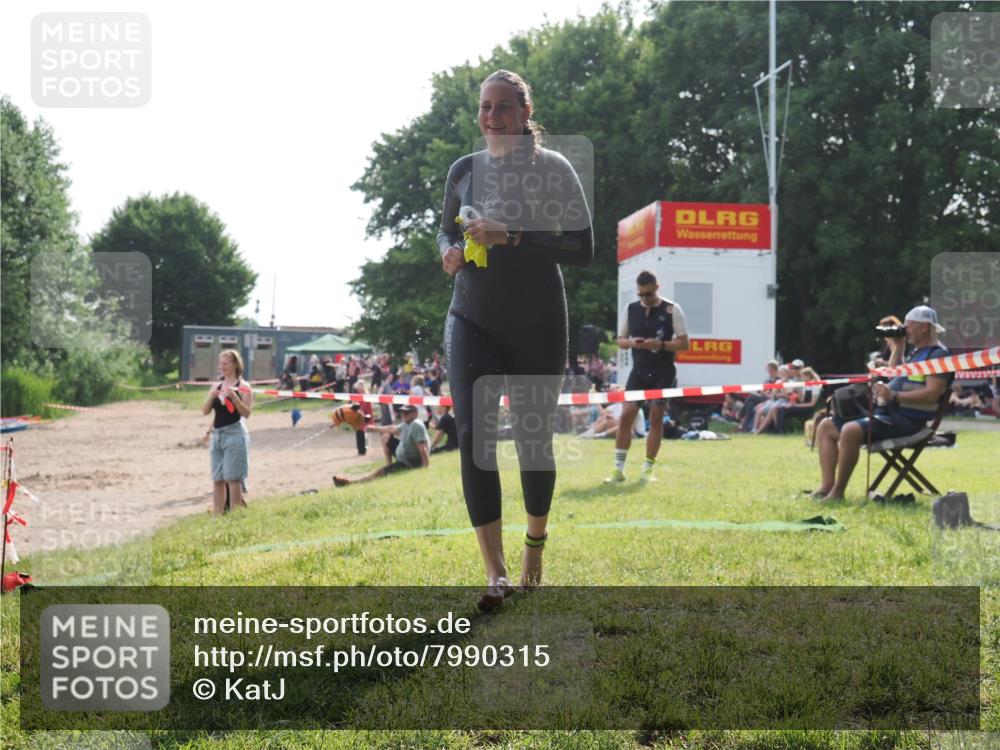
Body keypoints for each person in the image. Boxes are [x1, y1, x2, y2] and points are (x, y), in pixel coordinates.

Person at [438, 69, 593, 609]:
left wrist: (515, 236)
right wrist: (447, 252)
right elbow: (444, 228)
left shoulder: (554, 170)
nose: (491, 117)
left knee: (532, 442)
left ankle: (534, 546)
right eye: (485, 106)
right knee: (475, 438)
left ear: (526, 113)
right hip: (471, 317)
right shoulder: (463, 170)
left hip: (537, 320)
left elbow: (583, 248)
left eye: (504, 107)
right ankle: (495, 573)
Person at [812, 306, 953, 501]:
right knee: (826, 426)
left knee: (850, 430)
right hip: (890, 415)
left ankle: (838, 492)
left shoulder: (938, 355)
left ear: (924, 327)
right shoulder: (917, 353)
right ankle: (826, 486)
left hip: (908, 422)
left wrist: (894, 396)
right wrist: (898, 347)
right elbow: (894, 376)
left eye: (909, 326)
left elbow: (931, 394)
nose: (905, 329)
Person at [605, 270, 689, 483]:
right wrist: (632, 343)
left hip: (663, 371)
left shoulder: (672, 309)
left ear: (656, 288)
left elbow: (684, 343)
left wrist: (660, 345)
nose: (644, 299)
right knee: (626, 416)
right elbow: (620, 340)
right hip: (639, 370)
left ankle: (647, 468)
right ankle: (618, 469)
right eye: (640, 294)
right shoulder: (631, 309)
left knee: (656, 417)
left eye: (648, 294)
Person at [202, 349, 253, 515]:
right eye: (220, 363)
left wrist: (235, 398)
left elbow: (246, 413)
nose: (222, 367)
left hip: (235, 435)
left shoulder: (244, 387)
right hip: (217, 436)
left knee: (233, 478)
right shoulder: (216, 386)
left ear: (235, 365)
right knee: (217, 479)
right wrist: (212, 397)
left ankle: (235, 516)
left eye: (225, 363)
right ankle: (217, 516)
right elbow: (205, 411)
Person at [333, 404, 429, 486]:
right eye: (402, 412)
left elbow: (422, 447)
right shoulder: (408, 423)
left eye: (407, 412)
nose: (404, 414)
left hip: (408, 463)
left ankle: (350, 483)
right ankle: (389, 465)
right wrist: (374, 429)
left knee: (379, 472)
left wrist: (426, 466)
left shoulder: (416, 425)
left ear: (415, 413)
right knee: (385, 436)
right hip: (404, 455)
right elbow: (393, 429)